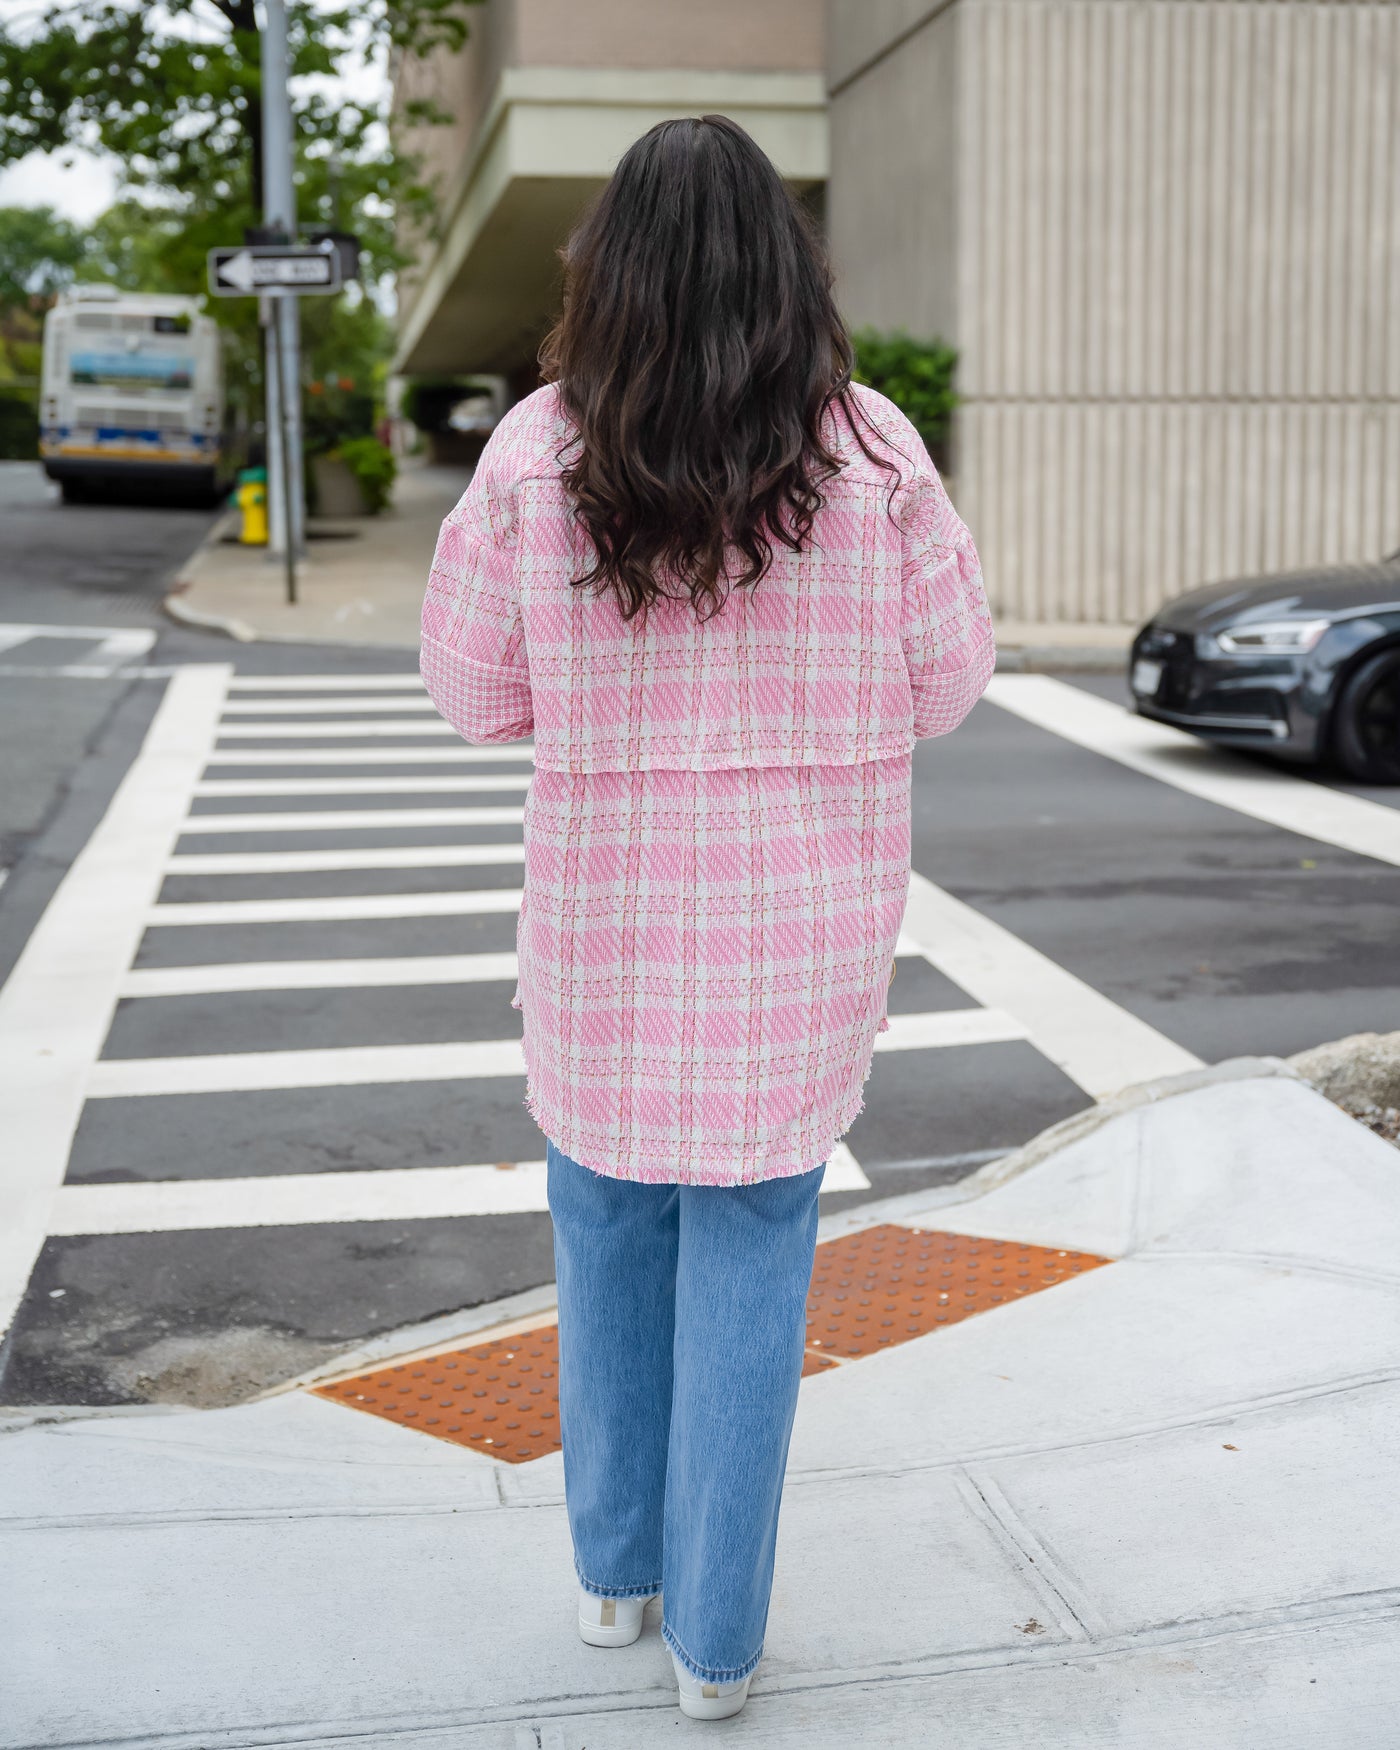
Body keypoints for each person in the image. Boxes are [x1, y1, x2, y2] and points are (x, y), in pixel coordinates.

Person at [420, 113, 994, 1723]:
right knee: (754, 1254)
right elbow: (951, 679)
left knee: (604, 1236)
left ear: (605, 274)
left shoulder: (541, 446)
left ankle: (615, 1578)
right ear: (785, 269)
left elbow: (470, 691)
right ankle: (719, 1652)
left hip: (606, 925)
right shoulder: (870, 448)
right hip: (801, 933)